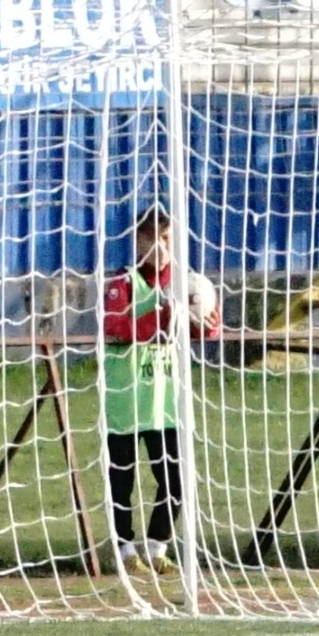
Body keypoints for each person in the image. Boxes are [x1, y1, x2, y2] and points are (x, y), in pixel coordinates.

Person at [101, 205, 220, 578]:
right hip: (125, 396)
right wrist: (164, 307)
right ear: (138, 241)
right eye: (151, 238)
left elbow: (204, 330)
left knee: (175, 477)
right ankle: (122, 547)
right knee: (122, 478)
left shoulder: (188, 284)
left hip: (166, 401)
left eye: (166, 238)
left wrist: (204, 321)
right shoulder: (121, 283)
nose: (159, 246)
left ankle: (157, 547)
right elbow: (119, 326)